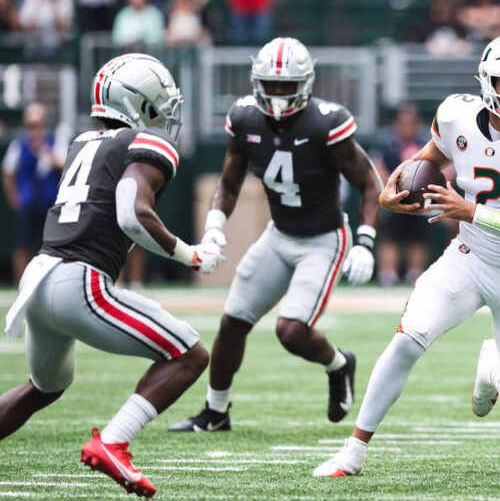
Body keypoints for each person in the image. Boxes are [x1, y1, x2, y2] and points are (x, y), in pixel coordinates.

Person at [312, 30, 500, 478]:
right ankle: (352, 451)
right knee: (408, 338)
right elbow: (423, 163)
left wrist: (469, 210)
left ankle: (491, 365)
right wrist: (390, 191)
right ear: (487, 81)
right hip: (470, 257)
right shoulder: (456, 115)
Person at [0, 54, 222, 497]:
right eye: (160, 103)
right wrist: (190, 254)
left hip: (38, 279)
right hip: (79, 282)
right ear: (138, 102)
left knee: (44, 387)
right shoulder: (145, 143)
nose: (166, 114)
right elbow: (131, 214)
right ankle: (114, 442)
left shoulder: (81, 142)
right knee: (190, 354)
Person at [169, 37, 381, 433]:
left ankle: (339, 363)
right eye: (271, 85)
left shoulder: (327, 122)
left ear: (306, 84)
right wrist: (214, 227)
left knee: (291, 331)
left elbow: (370, 183)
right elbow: (228, 182)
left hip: (323, 239)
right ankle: (216, 412)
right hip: (279, 235)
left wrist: (366, 241)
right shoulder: (244, 118)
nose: (279, 94)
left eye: (287, 85)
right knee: (233, 321)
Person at [2, 103, 65, 283]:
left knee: (54, 245)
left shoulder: (53, 142)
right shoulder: (18, 145)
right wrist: (15, 199)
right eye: (30, 125)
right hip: (29, 203)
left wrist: (46, 153)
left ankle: (53, 282)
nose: (33, 129)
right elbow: (7, 173)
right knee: (23, 245)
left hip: (50, 204)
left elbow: (63, 164)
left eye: (37, 125)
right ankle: (21, 284)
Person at [376, 102, 432, 287]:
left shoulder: (426, 142)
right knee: (390, 236)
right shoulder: (387, 142)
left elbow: (441, 169)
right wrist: (390, 188)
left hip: (420, 197)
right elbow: (379, 168)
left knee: (419, 237)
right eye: (404, 122)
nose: (407, 126)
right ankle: (387, 274)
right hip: (395, 196)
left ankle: (415, 273)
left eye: (411, 122)